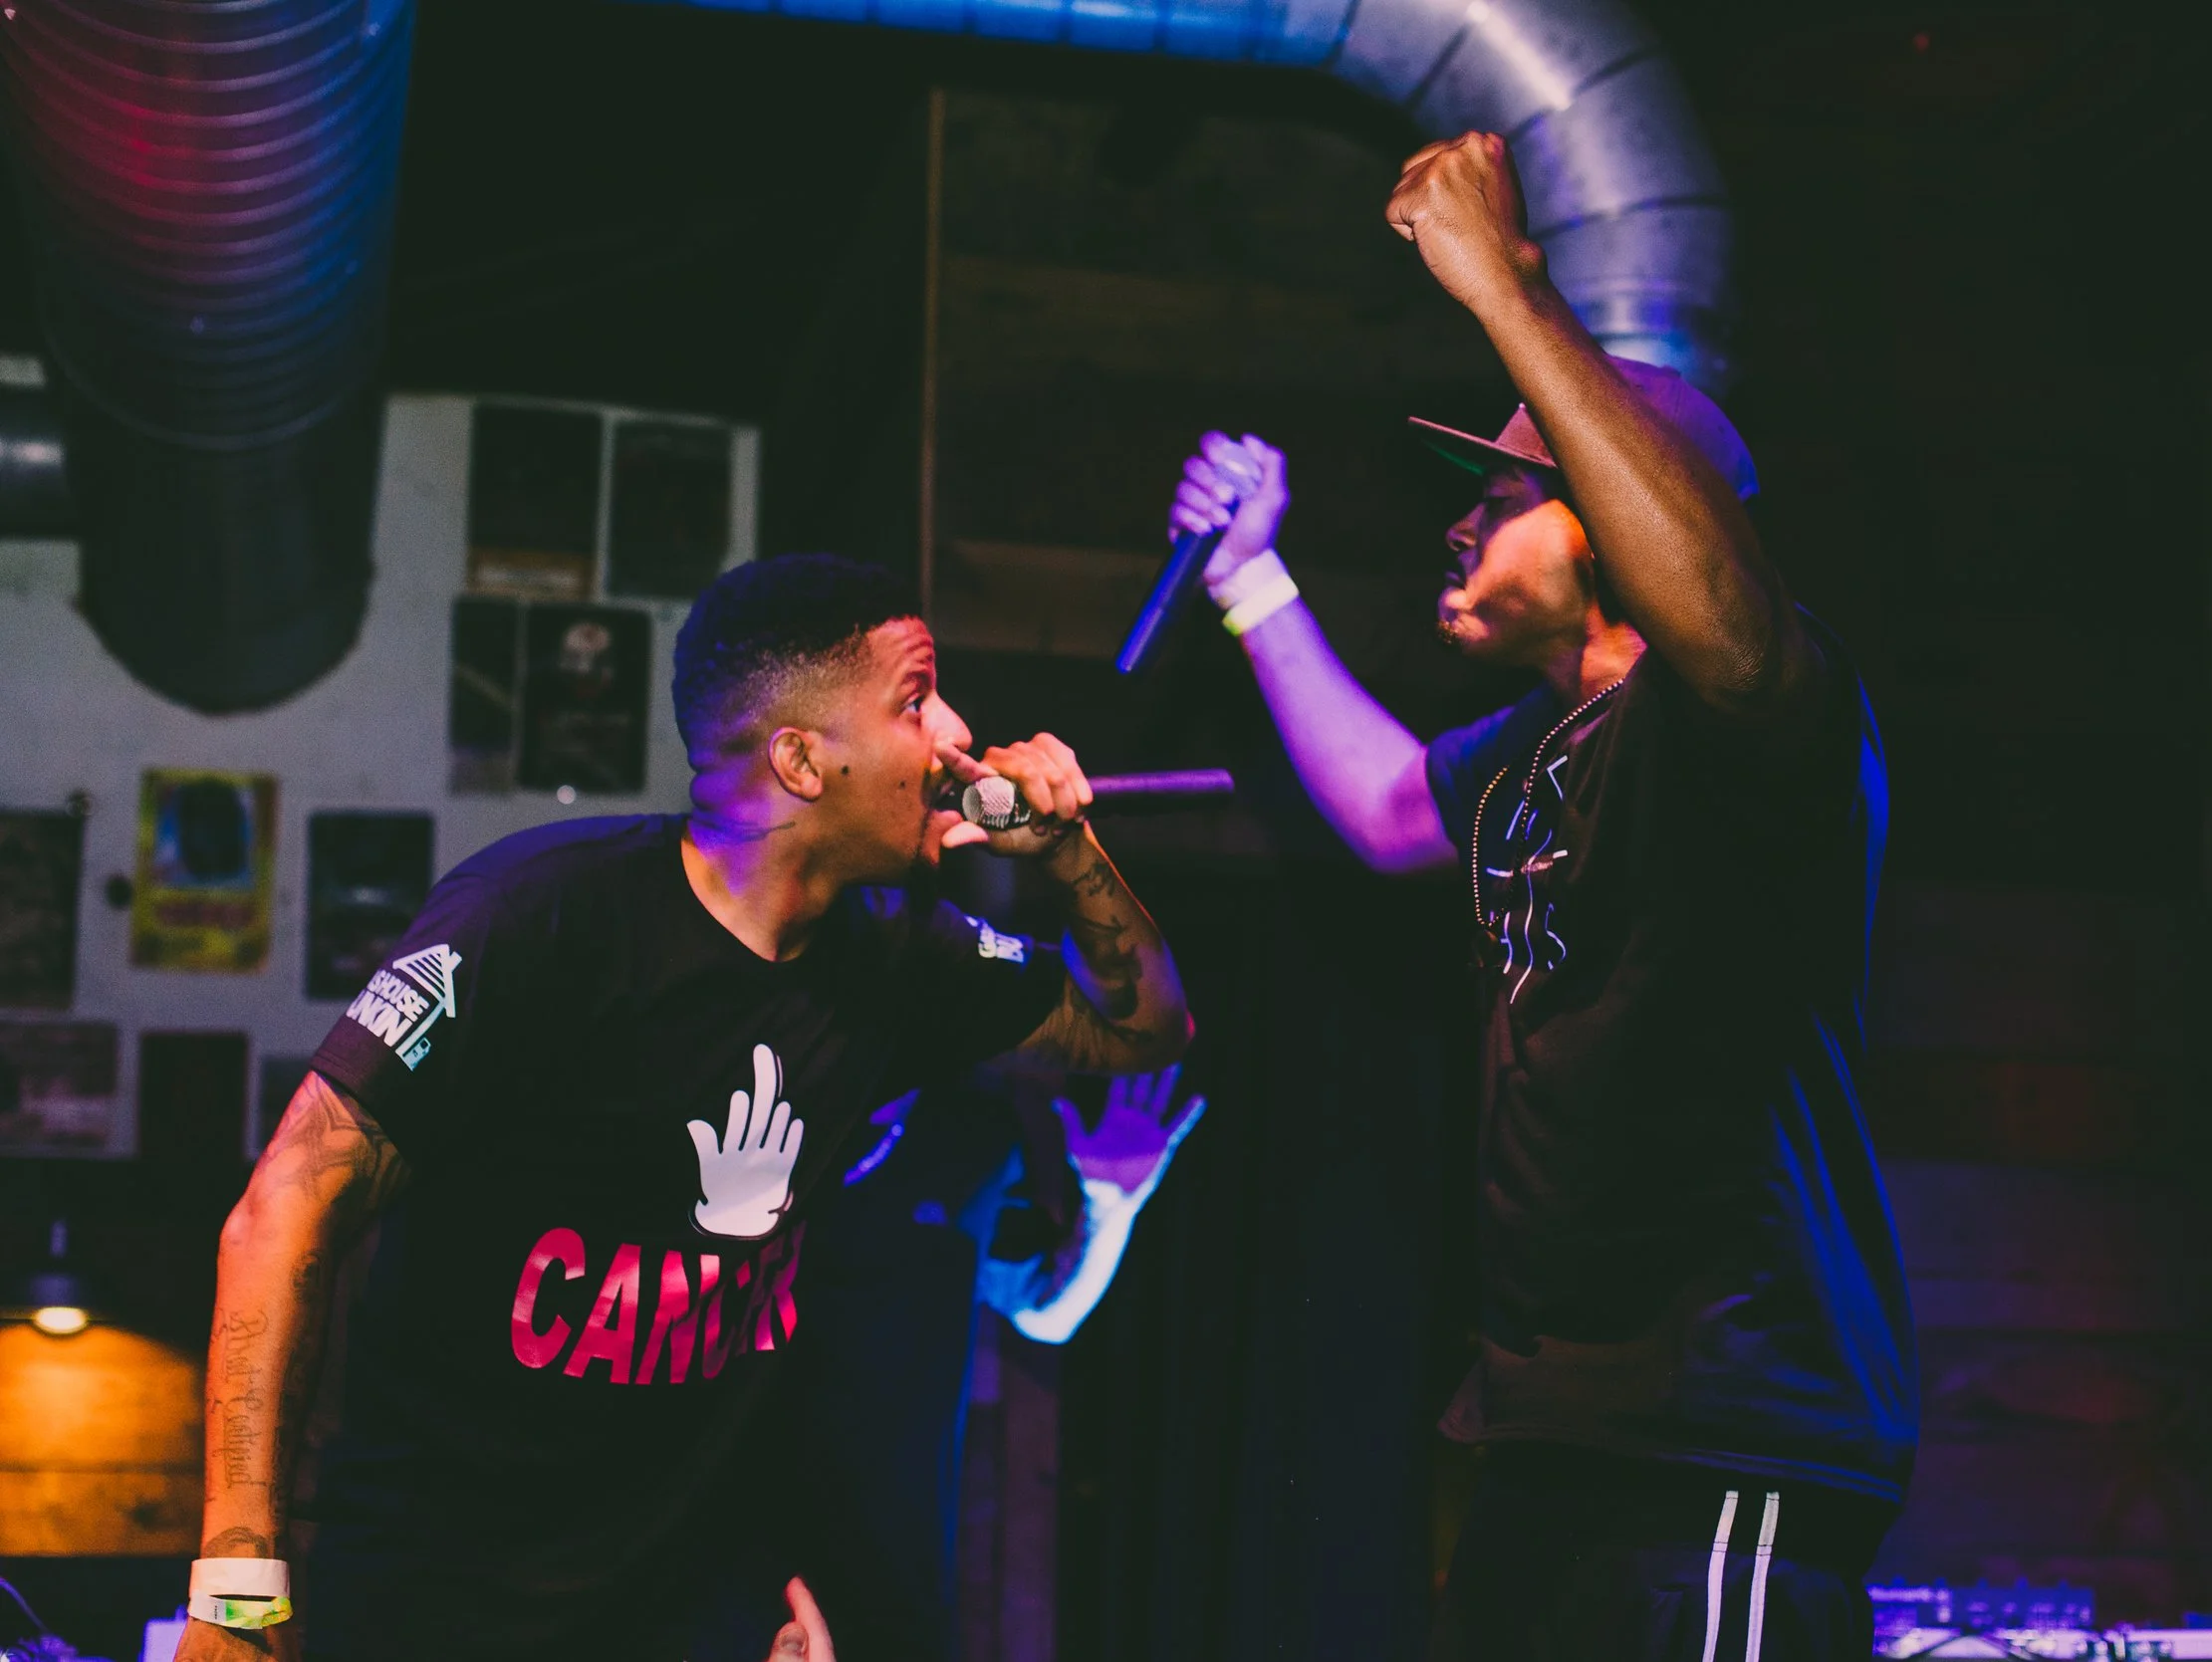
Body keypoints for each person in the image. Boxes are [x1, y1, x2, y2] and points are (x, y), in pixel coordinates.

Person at [1165, 132, 1917, 1660]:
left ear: (1611, 516)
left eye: (1502, 492)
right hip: (1554, 1433)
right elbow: (1384, 807)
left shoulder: (1752, 711)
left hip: (1722, 1432)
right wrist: (1252, 578)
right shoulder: (1533, 748)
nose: (1456, 521)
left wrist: (1513, 292)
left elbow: (1727, 621)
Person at [176, 555, 1190, 1662]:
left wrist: (1071, 856)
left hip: (681, 1607)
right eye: (915, 697)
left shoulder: (899, 956)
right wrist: (235, 1588)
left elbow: (1143, 1029)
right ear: (801, 758)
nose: (954, 732)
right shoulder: (538, 917)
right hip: (439, 1599)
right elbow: (284, 1207)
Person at [786, 1063, 1203, 1661]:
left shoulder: (967, 1139)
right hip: (714, 1524)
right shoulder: (759, 1107)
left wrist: (1110, 1209)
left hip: (885, 1566)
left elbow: (1046, 1314)